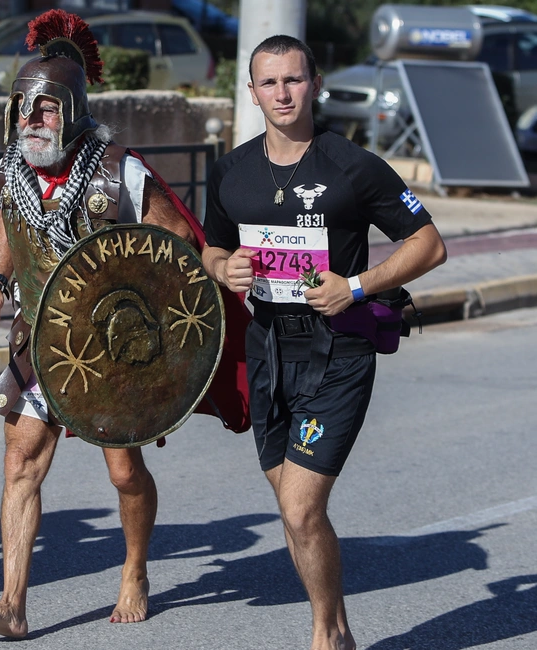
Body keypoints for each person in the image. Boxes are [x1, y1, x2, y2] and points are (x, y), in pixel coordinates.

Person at [0, 10, 214, 639]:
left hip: (112, 349)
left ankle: (134, 569)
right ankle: (14, 606)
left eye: (45, 109)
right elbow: (8, 226)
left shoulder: (117, 171)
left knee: (123, 472)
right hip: (42, 340)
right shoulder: (11, 171)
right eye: (23, 107)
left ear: (72, 110)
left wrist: (153, 334)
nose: (31, 120)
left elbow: (175, 244)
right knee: (20, 462)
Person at [202, 35, 447, 650]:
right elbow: (212, 244)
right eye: (269, 82)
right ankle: (336, 629)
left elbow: (428, 243)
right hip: (267, 354)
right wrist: (222, 267)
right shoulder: (231, 170)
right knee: (291, 506)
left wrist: (357, 286)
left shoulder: (351, 165)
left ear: (314, 84)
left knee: (302, 508)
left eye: (293, 80)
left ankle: (322, 635)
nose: (282, 93)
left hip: (337, 351)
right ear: (252, 91)